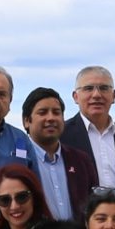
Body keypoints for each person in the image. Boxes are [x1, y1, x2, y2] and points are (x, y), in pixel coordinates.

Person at [21, 87, 97, 222]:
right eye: (42, 112)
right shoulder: (18, 161)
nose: (50, 118)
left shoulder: (81, 160)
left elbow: (94, 205)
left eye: (56, 112)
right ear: (27, 121)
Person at [68, 64, 115, 192]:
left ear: (114, 95)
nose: (96, 95)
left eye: (104, 88)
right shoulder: (63, 135)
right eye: (88, 88)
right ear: (76, 97)